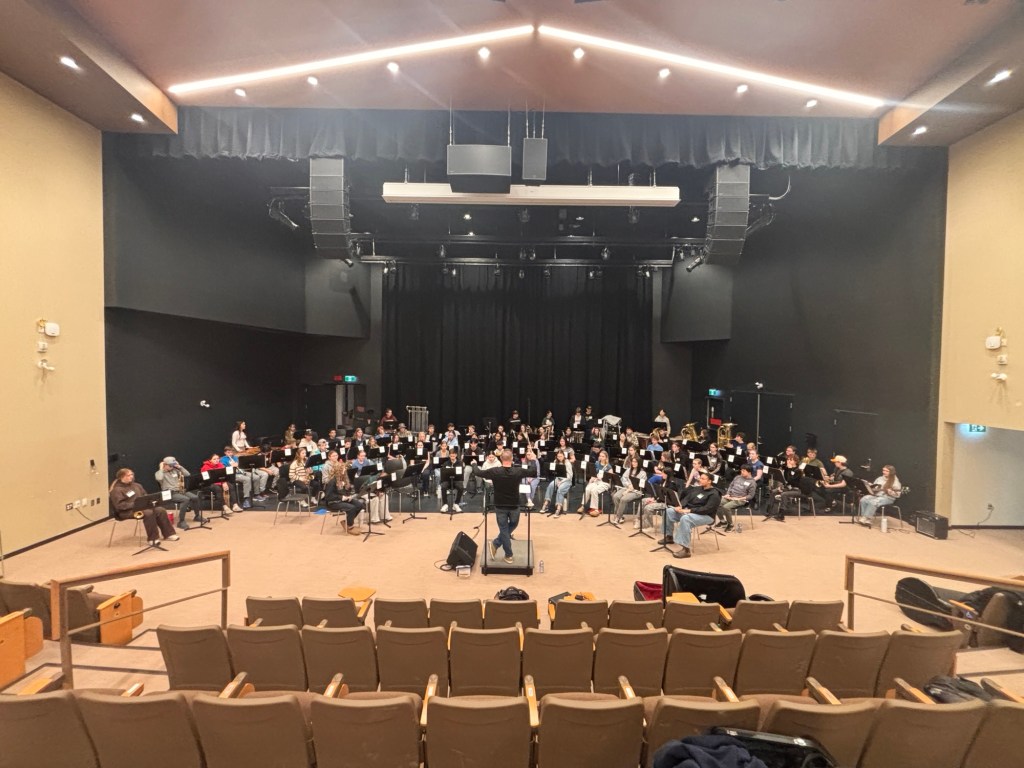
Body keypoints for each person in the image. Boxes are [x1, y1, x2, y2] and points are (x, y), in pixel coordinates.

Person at [474, 449, 539, 564]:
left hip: (500, 505)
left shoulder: (495, 471)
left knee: (505, 529)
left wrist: (474, 463)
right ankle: (508, 554)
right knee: (511, 526)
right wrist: (533, 459)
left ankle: (496, 543)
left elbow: (478, 472)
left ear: (500, 459)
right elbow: (533, 472)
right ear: (512, 459)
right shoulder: (518, 471)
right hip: (514, 505)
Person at [109, 468, 179, 546]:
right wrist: (136, 504)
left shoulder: (137, 485)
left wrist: (150, 501)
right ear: (121, 477)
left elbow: (146, 496)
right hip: (126, 512)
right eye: (128, 475)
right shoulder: (116, 490)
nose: (131, 476)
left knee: (160, 510)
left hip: (141, 508)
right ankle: (153, 539)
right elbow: (119, 506)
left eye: (132, 474)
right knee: (148, 513)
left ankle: (168, 534)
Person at [660, 472, 722, 559]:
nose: (700, 480)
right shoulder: (698, 489)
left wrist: (690, 510)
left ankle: (686, 550)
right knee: (669, 511)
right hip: (690, 512)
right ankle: (669, 536)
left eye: (703, 479)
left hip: (707, 516)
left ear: (709, 481)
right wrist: (680, 506)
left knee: (686, 519)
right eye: (700, 478)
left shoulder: (714, 494)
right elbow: (687, 499)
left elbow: (708, 509)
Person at [155, 457, 206, 530]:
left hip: (180, 490)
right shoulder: (159, 473)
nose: (172, 467)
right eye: (170, 465)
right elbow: (159, 478)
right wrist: (161, 468)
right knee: (185, 499)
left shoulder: (175, 470)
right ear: (165, 465)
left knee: (195, 497)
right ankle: (181, 522)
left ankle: (197, 516)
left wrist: (180, 467)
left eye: (173, 465)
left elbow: (187, 474)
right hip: (169, 493)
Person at [323, 462, 364, 535]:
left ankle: (347, 522)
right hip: (333, 502)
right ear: (338, 470)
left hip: (342, 500)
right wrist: (341, 497)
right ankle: (349, 526)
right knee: (352, 508)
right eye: (343, 469)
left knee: (359, 505)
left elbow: (345, 491)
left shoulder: (343, 479)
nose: (345, 470)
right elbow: (329, 496)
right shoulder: (332, 481)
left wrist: (349, 496)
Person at [716, 464, 756, 532]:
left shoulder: (752, 482)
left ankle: (730, 525)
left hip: (741, 500)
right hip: (731, 497)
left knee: (726, 507)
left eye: (743, 471)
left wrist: (740, 499)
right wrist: (728, 494)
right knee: (717, 503)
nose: (741, 472)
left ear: (749, 472)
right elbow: (731, 486)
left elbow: (750, 496)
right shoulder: (737, 477)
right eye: (741, 470)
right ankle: (723, 522)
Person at [611, 455, 647, 525]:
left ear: (639, 463)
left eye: (635, 462)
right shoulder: (629, 470)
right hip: (627, 487)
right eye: (633, 461)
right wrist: (628, 485)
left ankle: (618, 517)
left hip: (637, 491)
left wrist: (629, 490)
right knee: (615, 496)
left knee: (623, 499)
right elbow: (623, 479)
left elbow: (641, 485)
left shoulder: (643, 473)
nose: (633, 463)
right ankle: (621, 516)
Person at [541, 449, 574, 516]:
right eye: (558, 456)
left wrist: (561, 482)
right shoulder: (555, 461)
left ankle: (558, 507)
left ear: (564, 456)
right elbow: (555, 473)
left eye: (561, 456)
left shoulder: (567, 463)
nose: (559, 458)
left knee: (560, 489)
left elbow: (570, 475)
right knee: (550, 486)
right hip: (558, 479)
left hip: (566, 480)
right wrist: (557, 480)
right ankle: (546, 503)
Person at [579, 449, 612, 516]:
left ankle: (595, 509)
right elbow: (593, 473)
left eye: (603, 456)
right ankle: (583, 506)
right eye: (600, 456)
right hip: (596, 480)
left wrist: (602, 477)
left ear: (606, 457)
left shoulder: (608, 466)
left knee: (594, 490)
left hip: (605, 482)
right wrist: (592, 479)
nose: (601, 457)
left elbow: (610, 478)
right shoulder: (596, 463)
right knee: (587, 489)